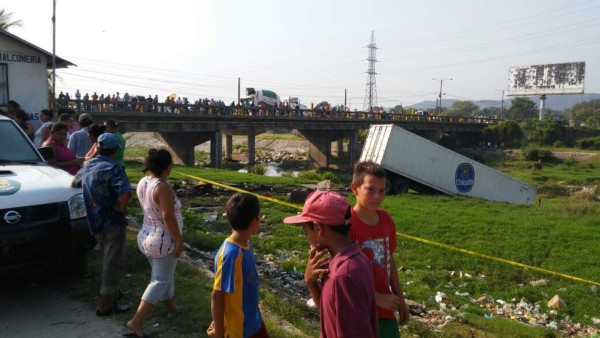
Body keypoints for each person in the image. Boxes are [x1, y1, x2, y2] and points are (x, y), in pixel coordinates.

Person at [283, 190, 379, 338]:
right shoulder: (358, 259)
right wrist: (311, 283)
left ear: (318, 228)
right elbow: (332, 316)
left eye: (305, 231)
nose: (306, 236)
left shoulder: (343, 277)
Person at [72, 133, 131, 316]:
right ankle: (106, 303)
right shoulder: (115, 169)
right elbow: (124, 193)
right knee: (112, 262)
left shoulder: (88, 164)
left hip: (95, 221)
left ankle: (113, 293)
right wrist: (120, 207)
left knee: (107, 257)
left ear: (97, 148)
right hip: (113, 221)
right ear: (115, 151)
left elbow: (75, 182)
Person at [127, 149, 183, 338]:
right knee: (160, 280)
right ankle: (136, 321)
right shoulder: (163, 187)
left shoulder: (144, 182)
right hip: (162, 239)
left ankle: (171, 307)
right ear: (168, 167)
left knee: (164, 275)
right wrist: (178, 239)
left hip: (146, 236)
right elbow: (167, 216)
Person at [350, 161, 410, 337]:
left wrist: (401, 300)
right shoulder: (348, 225)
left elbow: (389, 259)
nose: (377, 196)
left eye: (382, 190)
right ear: (355, 188)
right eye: (371, 189)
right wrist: (377, 298)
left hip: (386, 312)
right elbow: (344, 276)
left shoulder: (386, 220)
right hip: (359, 311)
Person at [207, 193, 269, 338]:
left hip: (254, 321)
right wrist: (219, 331)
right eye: (259, 217)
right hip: (239, 330)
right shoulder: (231, 255)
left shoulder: (246, 246)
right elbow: (217, 295)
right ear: (254, 221)